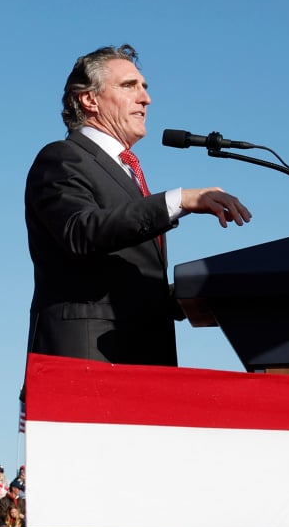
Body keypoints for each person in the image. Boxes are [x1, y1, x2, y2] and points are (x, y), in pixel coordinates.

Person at [24, 44, 251, 367]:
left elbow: (120, 276)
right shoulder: (62, 157)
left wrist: (188, 296)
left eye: (144, 87)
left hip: (142, 362)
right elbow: (80, 231)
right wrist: (179, 200)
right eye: (129, 86)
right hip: (88, 361)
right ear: (89, 99)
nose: (146, 98)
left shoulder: (127, 173)